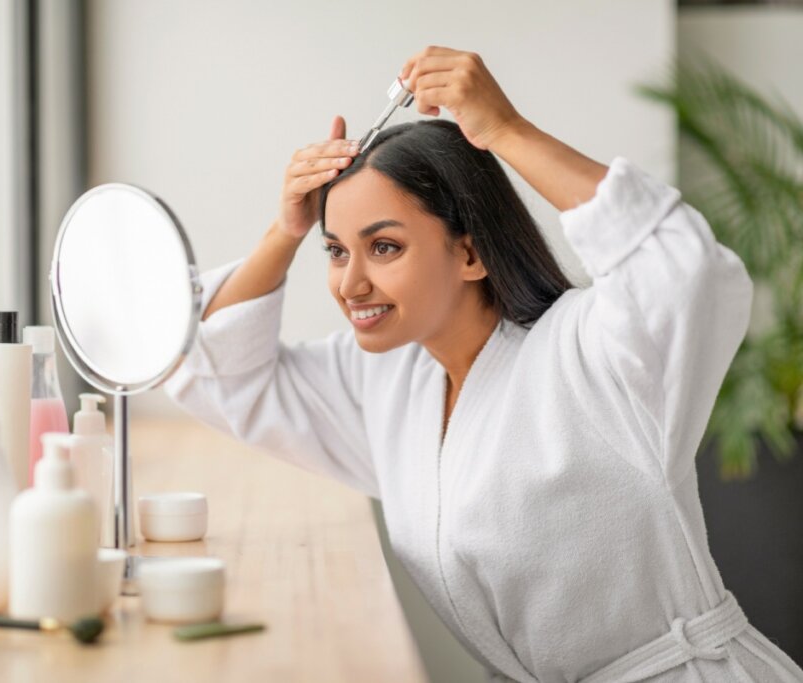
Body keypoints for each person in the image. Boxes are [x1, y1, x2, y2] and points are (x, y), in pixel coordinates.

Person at [163, 46, 803, 682]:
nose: (349, 284)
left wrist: (505, 130)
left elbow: (683, 268)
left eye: (383, 247)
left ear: (470, 253)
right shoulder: (391, 386)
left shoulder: (591, 354)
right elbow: (226, 373)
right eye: (335, 251)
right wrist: (285, 230)